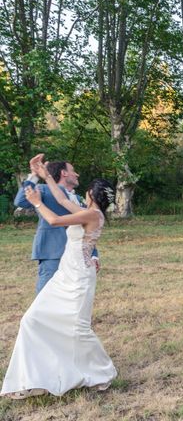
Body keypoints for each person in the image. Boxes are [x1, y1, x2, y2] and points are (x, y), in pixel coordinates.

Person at [2, 156, 117, 399]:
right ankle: (35, 376)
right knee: (33, 319)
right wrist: (46, 177)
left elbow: (54, 220)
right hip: (64, 274)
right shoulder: (88, 211)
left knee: (77, 328)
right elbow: (62, 199)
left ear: (91, 195)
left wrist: (36, 203)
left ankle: (102, 372)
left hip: (78, 277)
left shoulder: (92, 215)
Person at [14, 156, 98, 293]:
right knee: (46, 295)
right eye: (73, 171)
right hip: (53, 252)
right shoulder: (43, 189)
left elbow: (88, 229)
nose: (77, 174)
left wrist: (94, 254)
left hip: (78, 255)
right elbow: (20, 201)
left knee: (72, 295)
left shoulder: (78, 199)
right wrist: (35, 175)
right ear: (64, 173)